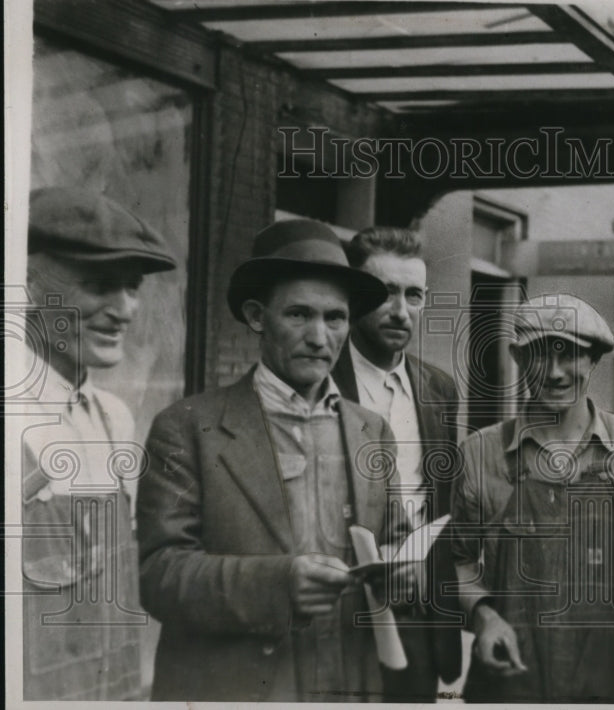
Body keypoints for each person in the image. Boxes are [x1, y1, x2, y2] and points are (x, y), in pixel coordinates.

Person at [137, 218, 413, 702]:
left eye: (335, 318)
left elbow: (395, 541)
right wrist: (276, 585)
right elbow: (158, 576)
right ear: (257, 316)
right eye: (299, 315)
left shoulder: (372, 430)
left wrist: (406, 574)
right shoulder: (186, 427)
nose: (319, 337)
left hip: (349, 686)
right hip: (238, 689)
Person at [450, 293, 614, 703]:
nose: (554, 373)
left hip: (611, 684)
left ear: (593, 361)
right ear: (518, 358)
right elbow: (458, 560)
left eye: (570, 355)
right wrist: (483, 617)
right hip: (507, 683)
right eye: (539, 355)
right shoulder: (479, 452)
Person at [21, 186, 177, 700]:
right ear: (29, 286)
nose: (125, 309)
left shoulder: (114, 418)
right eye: (99, 285)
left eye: (131, 287)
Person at [335, 226, 462, 700]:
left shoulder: (439, 390)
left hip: (418, 618)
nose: (401, 311)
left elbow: (440, 503)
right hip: (339, 613)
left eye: (415, 295)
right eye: (386, 293)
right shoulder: (321, 380)